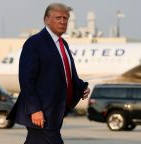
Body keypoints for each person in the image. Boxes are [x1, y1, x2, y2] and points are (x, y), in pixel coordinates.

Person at [7, 2, 90, 144]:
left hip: (55, 111)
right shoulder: (35, 43)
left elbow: (66, 73)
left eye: (65, 18)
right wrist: (35, 109)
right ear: (46, 20)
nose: (63, 21)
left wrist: (81, 87)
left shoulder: (63, 44)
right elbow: (27, 80)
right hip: (42, 113)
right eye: (58, 18)